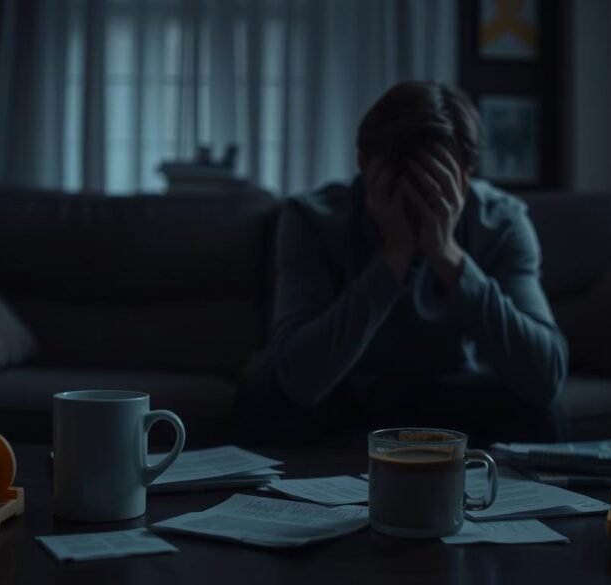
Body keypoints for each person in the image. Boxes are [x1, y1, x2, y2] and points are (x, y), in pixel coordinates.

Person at [235, 81, 568, 446]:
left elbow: (546, 373)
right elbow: (298, 377)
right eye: (402, 180)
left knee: (542, 411)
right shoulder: (312, 217)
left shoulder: (502, 220)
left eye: (435, 183)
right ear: (364, 164)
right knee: (264, 391)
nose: (418, 202)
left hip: (451, 387)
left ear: (465, 173)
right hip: (346, 388)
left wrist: (447, 255)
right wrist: (392, 259)